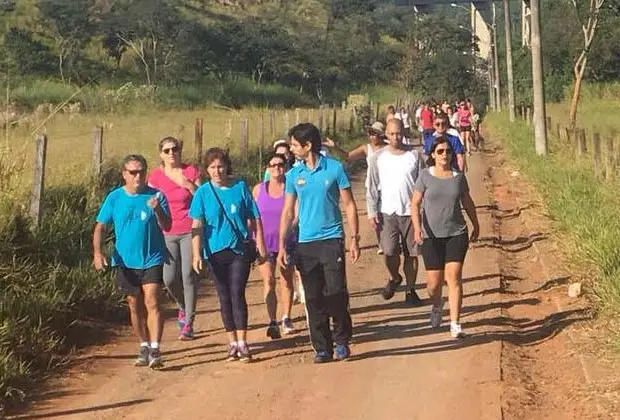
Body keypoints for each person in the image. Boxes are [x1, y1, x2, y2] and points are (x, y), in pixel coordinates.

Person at [277, 123, 360, 363]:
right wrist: (283, 244)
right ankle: (322, 347)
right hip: (306, 243)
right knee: (313, 297)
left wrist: (354, 238)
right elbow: (288, 212)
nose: (291, 150)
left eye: (294, 145)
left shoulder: (334, 169)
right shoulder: (294, 175)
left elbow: (350, 205)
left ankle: (342, 340)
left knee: (336, 292)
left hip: (332, 239)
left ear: (308, 145)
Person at [93, 154, 171, 369]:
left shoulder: (157, 196)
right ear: (124, 174)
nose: (138, 176)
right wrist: (98, 253)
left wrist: (157, 210)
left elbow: (167, 227)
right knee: (134, 304)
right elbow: (100, 226)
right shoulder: (115, 198)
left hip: (152, 258)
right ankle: (144, 344)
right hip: (125, 261)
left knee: (153, 302)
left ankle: (155, 348)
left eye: (141, 171)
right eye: (133, 172)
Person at [190, 148, 268, 363]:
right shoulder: (203, 193)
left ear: (227, 167)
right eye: (213, 167)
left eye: (221, 166)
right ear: (207, 170)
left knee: (237, 293)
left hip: (239, 250)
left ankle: (243, 341)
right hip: (214, 251)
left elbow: (255, 219)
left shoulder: (241, 188)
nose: (217, 171)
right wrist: (196, 254)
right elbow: (196, 224)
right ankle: (232, 341)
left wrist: (261, 247)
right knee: (223, 296)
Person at [411, 136, 479, 338]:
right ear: (432, 154)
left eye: (448, 151)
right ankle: (437, 305)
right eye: (440, 151)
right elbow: (415, 203)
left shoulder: (458, 177)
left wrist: (476, 224)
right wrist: (417, 228)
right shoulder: (425, 176)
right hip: (431, 237)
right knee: (433, 285)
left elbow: (467, 202)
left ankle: (455, 323)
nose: (445, 155)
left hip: (456, 233)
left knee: (454, 278)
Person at [147, 137, 201, 341]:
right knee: (169, 279)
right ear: (161, 154)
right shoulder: (155, 177)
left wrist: (189, 185)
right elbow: (149, 200)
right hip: (166, 231)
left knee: (188, 275)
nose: (171, 153)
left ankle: (188, 323)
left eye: (175, 149)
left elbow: (202, 198)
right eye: (167, 150)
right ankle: (182, 306)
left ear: (180, 151)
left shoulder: (191, 172)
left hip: (190, 229)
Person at [367, 119, 424, 305]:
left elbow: (423, 184)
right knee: (389, 252)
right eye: (391, 134)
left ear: (403, 133)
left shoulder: (414, 156)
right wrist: (372, 211)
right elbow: (373, 186)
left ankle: (411, 290)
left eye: (398, 133)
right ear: (386, 135)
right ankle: (394, 277)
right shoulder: (378, 157)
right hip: (387, 212)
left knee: (412, 253)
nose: (395, 137)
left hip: (410, 212)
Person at [322, 121, 387, 255]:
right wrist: (335, 147)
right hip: (373, 185)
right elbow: (347, 157)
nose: (372, 137)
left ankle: (389, 238)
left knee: (387, 213)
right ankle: (382, 241)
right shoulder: (366, 148)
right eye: (370, 133)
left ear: (381, 135)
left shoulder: (388, 148)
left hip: (387, 184)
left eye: (374, 134)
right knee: (376, 215)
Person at [253, 153, 296, 339]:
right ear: (267, 168)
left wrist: (287, 236)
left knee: (286, 279)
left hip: (286, 242)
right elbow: (252, 216)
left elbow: (295, 216)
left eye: (280, 165)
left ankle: (286, 316)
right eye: (273, 165)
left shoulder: (291, 188)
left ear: (285, 167)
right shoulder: (258, 189)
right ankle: (272, 320)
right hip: (264, 243)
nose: (277, 168)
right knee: (269, 280)